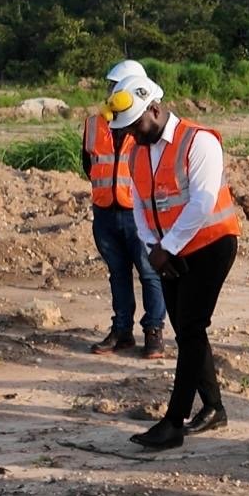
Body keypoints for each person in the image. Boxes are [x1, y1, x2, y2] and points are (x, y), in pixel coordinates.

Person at [105, 74, 242, 450]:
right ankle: (214, 408)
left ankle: (173, 422)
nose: (131, 131)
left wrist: (168, 247)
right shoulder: (138, 151)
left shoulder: (199, 142)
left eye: (136, 122)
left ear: (154, 107)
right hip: (169, 251)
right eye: (126, 127)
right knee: (185, 330)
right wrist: (153, 246)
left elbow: (201, 201)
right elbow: (140, 203)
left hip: (212, 245)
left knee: (192, 327)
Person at [84, 59, 166, 358]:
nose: (111, 92)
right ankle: (121, 331)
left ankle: (153, 331)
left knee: (149, 272)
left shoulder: (146, 123)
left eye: (116, 87)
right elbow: (88, 164)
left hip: (139, 212)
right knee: (117, 273)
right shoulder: (94, 123)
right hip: (105, 210)